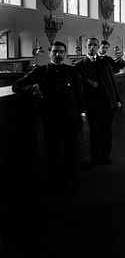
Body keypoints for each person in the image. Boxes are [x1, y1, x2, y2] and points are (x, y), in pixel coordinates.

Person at [12, 41, 86, 194]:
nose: (58, 54)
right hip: (51, 118)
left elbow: (79, 93)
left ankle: (69, 181)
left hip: (71, 117)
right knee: (53, 151)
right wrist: (32, 87)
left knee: (70, 151)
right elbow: (17, 85)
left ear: (65, 53)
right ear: (49, 52)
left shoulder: (71, 70)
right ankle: (55, 182)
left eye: (61, 52)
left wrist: (82, 113)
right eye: (55, 51)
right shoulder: (41, 70)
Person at [76, 37, 122, 167]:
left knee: (107, 130)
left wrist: (117, 99)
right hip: (93, 104)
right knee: (95, 131)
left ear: (98, 47)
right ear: (86, 46)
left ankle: (105, 156)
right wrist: (87, 81)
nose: (92, 47)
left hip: (107, 101)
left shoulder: (105, 62)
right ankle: (95, 158)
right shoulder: (80, 65)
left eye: (95, 45)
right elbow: (78, 83)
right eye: (90, 45)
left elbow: (112, 81)